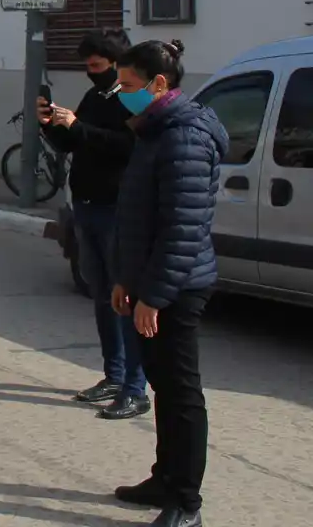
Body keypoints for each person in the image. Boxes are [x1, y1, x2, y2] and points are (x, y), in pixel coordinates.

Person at [110, 40, 225, 527]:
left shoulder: (184, 138)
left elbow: (182, 228)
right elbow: (141, 217)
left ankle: (186, 502)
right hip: (152, 280)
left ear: (160, 84)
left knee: (179, 393)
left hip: (177, 286)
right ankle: (164, 478)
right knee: (161, 386)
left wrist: (153, 295)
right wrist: (126, 279)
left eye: (129, 84)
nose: (121, 93)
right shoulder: (156, 130)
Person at [38, 29, 148, 420]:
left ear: (117, 64)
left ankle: (136, 387)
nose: (92, 73)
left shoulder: (133, 100)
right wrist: (53, 124)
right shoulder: (94, 96)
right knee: (102, 297)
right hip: (86, 205)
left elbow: (124, 146)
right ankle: (113, 375)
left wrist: (78, 127)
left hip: (116, 209)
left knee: (125, 298)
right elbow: (75, 143)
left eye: (98, 66)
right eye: (87, 67)